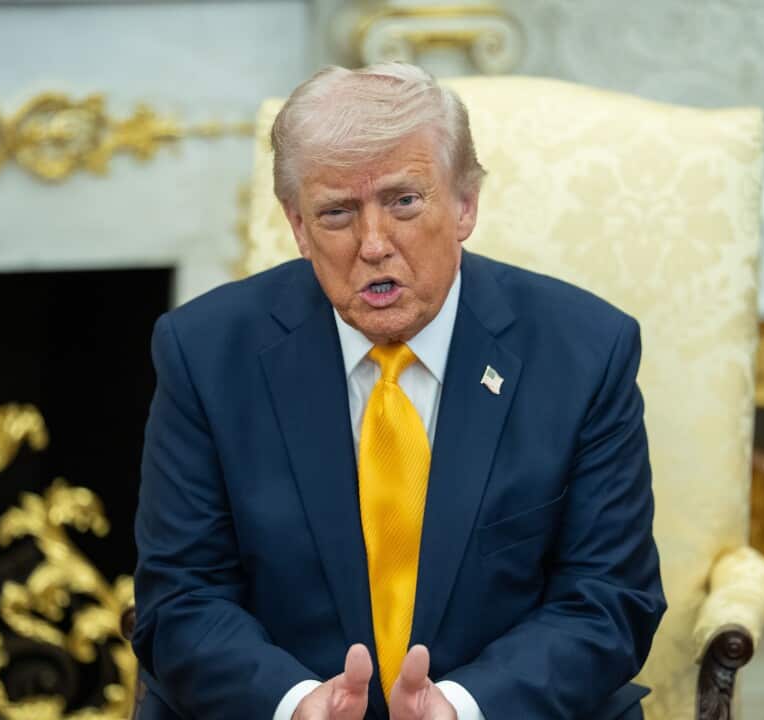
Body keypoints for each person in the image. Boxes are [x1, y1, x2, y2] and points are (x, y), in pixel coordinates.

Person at [132, 62, 665, 720]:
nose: (374, 244)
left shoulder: (585, 352)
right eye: (337, 213)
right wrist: (296, 704)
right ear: (297, 226)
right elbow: (182, 599)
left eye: (403, 202)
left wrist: (466, 707)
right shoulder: (205, 354)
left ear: (465, 204)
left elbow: (609, 598)